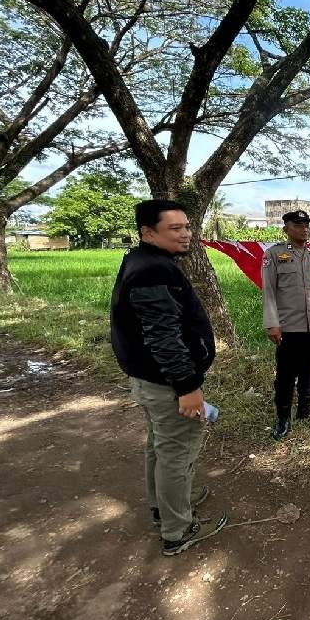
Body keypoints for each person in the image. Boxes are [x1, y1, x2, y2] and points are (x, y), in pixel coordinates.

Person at [110, 199, 227, 556]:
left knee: (160, 447)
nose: (186, 234)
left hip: (153, 382)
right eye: (175, 229)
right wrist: (188, 387)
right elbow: (163, 337)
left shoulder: (143, 260)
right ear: (148, 232)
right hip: (167, 385)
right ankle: (178, 530)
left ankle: (166, 507)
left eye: (187, 227)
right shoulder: (153, 271)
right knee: (176, 452)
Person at [262, 209, 310, 440]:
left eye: (306, 225)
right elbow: (269, 291)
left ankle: (305, 410)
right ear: (286, 229)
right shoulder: (274, 254)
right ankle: (283, 418)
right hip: (289, 327)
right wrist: (272, 324)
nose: (304, 228)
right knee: (285, 375)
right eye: (298, 225)